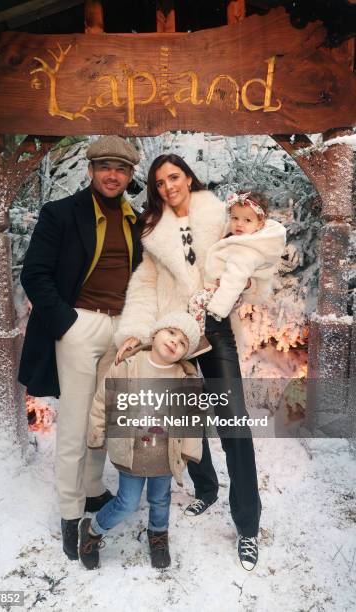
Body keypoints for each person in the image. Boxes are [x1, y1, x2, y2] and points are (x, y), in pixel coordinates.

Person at [115, 154, 262, 571]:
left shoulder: (218, 214)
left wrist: (248, 278)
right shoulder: (151, 228)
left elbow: (251, 244)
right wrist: (137, 331)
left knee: (234, 423)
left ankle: (248, 526)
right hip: (173, 333)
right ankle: (207, 487)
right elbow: (144, 284)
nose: (167, 187)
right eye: (159, 182)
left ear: (189, 177)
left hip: (213, 330)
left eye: (173, 177)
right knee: (185, 421)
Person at [18, 136, 143, 561]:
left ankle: (93, 490)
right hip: (80, 324)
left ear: (130, 175)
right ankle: (71, 513)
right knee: (73, 423)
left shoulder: (135, 221)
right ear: (90, 170)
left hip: (122, 328)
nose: (112, 175)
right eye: (105, 166)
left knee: (105, 415)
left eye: (121, 169)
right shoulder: (60, 214)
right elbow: (35, 274)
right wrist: (67, 322)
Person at [79, 311, 202, 570]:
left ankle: (158, 535)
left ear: (185, 353)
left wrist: (189, 451)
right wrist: (97, 433)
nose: (174, 342)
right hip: (132, 453)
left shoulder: (185, 378)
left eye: (182, 343)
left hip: (164, 457)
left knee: (160, 499)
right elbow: (103, 401)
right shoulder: (128, 365)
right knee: (127, 502)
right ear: (156, 333)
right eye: (171, 333)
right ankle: (93, 529)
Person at [188, 190, 286, 334]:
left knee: (197, 301)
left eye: (247, 220)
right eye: (235, 218)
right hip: (223, 290)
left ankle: (198, 337)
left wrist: (219, 307)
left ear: (260, 224)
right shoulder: (240, 237)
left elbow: (235, 279)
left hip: (226, 294)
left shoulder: (246, 251)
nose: (239, 224)